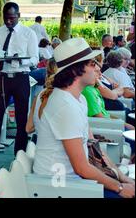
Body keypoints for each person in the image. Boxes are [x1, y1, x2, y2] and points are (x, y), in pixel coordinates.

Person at [32, 38, 135, 198]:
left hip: (71, 180)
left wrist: (123, 178)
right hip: (57, 186)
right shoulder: (64, 105)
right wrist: (120, 188)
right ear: (75, 71)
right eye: (92, 64)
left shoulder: (79, 99)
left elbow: (94, 147)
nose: (98, 68)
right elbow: (81, 167)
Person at [0, 2, 39, 168]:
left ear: (18, 16)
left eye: (12, 18)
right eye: (6, 18)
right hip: (3, 77)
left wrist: (19, 59)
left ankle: (19, 156)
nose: (8, 22)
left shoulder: (29, 34)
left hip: (21, 77)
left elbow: (35, 59)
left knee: (22, 119)